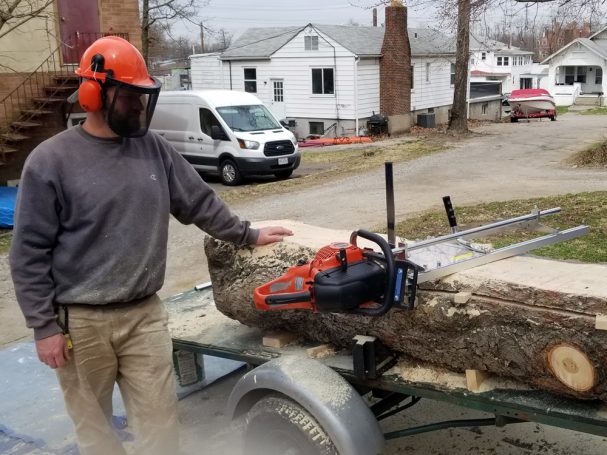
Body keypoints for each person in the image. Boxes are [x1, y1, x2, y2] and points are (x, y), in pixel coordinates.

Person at [9, 36, 292, 455]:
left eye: (144, 97)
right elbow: (28, 252)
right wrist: (43, 327)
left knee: (161, 428)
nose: (139, 107)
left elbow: (198, 201)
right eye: (130, 97)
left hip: (144, 315)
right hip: (80, 323)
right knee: (97, 432)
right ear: (95, 93)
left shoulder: (153, 149)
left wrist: (247, 234)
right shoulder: (50, 161)